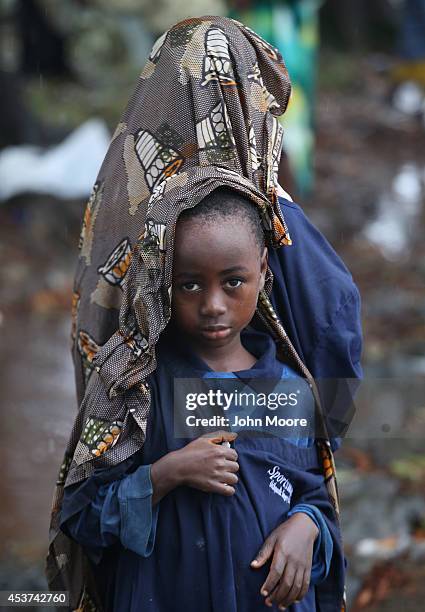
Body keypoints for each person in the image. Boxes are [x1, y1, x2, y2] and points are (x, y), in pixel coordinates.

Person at [45, 15, 362, 611]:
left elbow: (311, 483)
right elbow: (86, 506)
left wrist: (304, 516)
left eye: (235, 281)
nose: (213, 303)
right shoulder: (145, 382)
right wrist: (161, 471)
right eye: (188, 283)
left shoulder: (123, 209)